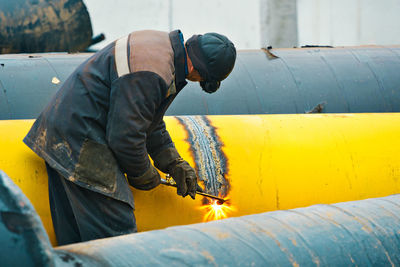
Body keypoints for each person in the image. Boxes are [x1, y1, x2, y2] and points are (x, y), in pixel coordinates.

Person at [23, 29, 236, 245]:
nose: (196, 81)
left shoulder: (161, 46)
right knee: (118, 236)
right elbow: (125, 138)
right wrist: (145, 174)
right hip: (81, 139)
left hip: (64, 131)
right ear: (196, 68)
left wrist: (174, 163)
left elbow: (147, 121)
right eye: (201, 79)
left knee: (76, 245)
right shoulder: (153, 72)